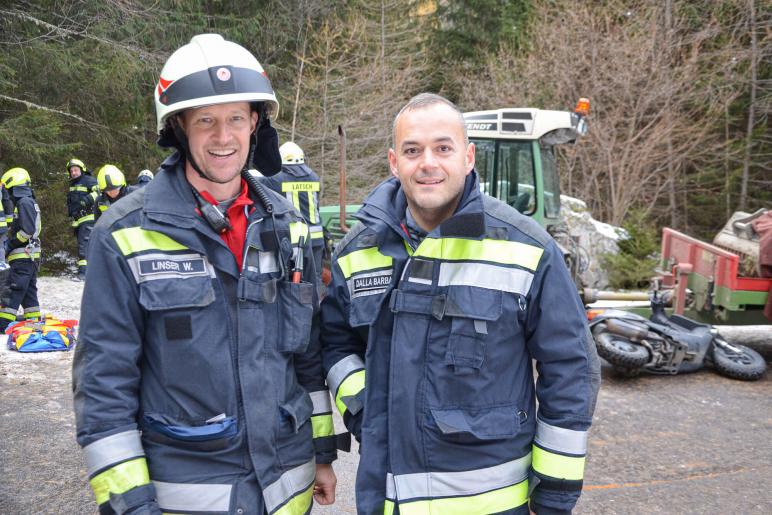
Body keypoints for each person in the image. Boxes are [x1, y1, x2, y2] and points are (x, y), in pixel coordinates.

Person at [73, 34, 337, 515]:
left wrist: (321, 456)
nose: (223, 136)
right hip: (187, 495)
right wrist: (131, 505)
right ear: (178, 128)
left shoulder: (287, 226)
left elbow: (306, 358)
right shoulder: (125, 232)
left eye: (236, 118)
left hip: (287, 490)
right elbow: (104, 382)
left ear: (254, 123)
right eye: (206, 121)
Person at [321, 93, 601, 514]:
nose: (428, 162)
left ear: (468, 158)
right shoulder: (356, 252)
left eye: (443, 148)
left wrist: (556, 496)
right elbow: (335, 343)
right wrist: (365, 407)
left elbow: (571, 367)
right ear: (394, 163)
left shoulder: (527, 248)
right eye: (413, 150)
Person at [260, 142, 325, 281]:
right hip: (317, 238)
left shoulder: (276, 179)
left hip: (296, 239)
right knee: (316, 280)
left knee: (294, 283)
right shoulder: (314, 177)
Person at [0, 167, 41, 331]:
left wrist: (9, 245)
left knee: (13, 289)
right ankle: (34, 320)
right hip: (30, 256)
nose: (8, 195)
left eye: (9, 191)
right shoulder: (29, 201)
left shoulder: (24, 202)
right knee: (29, 292)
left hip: (23, 256)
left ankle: (3, 324)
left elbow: (27, 231)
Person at [65, 158, 99, 280]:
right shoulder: (73, 184)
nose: (73, 173)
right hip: (78, 220)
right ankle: (89, 273)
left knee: (84, 246)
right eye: (72, 171)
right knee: (82, 245)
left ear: (82, 169)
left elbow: (99, 192)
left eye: (76, 170)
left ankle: (83, 274)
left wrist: (86, 200)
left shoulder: (88, 180)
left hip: (88, 218)